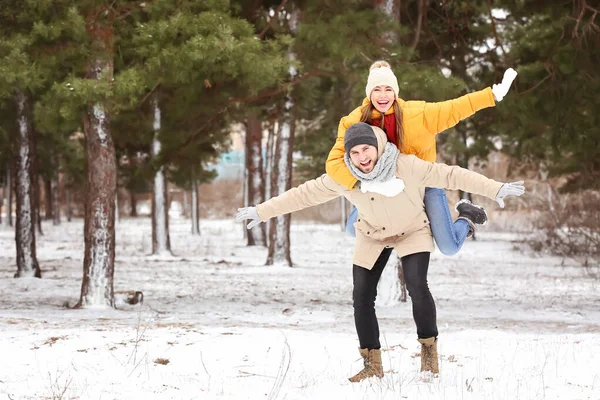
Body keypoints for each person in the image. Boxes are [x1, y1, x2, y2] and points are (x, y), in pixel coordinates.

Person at [236, 122, 524, 381]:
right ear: (348, 156)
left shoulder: (404, 165)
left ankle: (428, 356)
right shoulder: (343, 176)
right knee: (361, 296)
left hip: (412, 229)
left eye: (366, 149)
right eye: (355, 153)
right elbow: (303, 194)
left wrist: (494, 188)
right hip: (372, 234)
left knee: (416, 285)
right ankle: (372, 364)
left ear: (377, 146)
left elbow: (450, 175)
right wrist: (263, 211)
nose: (362, 157)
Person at [326, 60, 518, 254]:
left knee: (449, 247)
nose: (383, 96)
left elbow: (455, 108)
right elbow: (333, 163)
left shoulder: (418, 114)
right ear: (369, 93)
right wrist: (363, 184)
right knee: (352, 229)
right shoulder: (355, 121)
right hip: (380, 188)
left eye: (388, 89)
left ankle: (467, 217)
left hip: (424, 183)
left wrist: (491, 95)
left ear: (395, 91)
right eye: (377, 89)